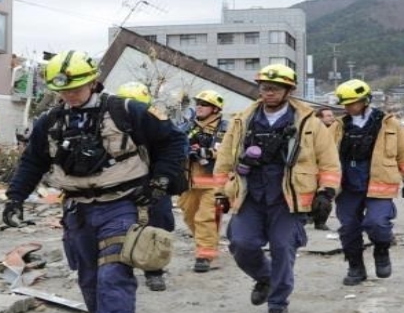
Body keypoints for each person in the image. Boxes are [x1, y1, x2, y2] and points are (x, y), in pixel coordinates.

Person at [2, 50, 186, 313]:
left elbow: (173, 140)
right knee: (88, 278)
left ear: (92, 81)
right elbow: (33, 162)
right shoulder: (49, 122)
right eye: (63, 90)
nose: (70, 95)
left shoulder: (126, 110)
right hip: (77, 211)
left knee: (113, 276)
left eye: (76, 88)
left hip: (121, 206)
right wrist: (15, 199)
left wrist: (160, 181)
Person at [213, 64, 341, 313]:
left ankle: (278, 303)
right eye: (264, 88)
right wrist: (221, 192)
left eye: (274, 88)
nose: (268, 92)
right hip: (250, 194)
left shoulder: (310, 123)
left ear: (288, 90)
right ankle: (266, 277)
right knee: (241, 243)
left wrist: (326, 192)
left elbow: (328, 162)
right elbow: (225, 160)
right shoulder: (242, 120)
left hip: (288, 198)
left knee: (283, 247)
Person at [331, 79, 404, 286]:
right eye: (346, 103)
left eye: (353, 102)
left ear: (365, 100)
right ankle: (355, 267)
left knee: (377, 223)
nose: (349, 107)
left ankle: (381, 249)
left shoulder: (389, 124)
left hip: (379, 182)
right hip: (348, 186)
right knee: (349, 229)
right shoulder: (338, 126)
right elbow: (326, 155)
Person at [116, 81, 176, 291]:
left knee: (159, 223)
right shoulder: (110, 121)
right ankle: (121, 270)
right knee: (119, 226)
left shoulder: (157, 120)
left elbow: (175, 146)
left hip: (154, 180)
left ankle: (154, 271)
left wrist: (160, 181)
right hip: (121, 182)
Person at [177, 90, 228, 273]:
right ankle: (208, 245)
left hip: (213, 183)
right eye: (198, 102)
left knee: (204, 218)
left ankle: (205, 255)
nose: (199, 106)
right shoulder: (186, 126)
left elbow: (230, 152)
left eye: (204, 104)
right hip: (189, 182)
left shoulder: (225, 129)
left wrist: (208, 152)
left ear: (215, 109)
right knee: (189, 216)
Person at [310, 107, 337, 230]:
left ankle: (320, 221)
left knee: (324, 197)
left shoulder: (335, 130)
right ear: (319, 118)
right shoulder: (311, 131)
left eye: (332, 115)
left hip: (328, 169)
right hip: (311, 170)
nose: (332, 118)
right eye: (328, 116)